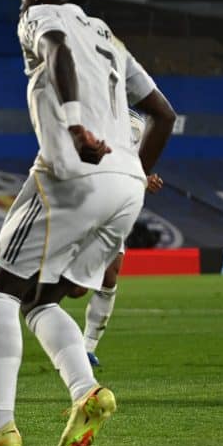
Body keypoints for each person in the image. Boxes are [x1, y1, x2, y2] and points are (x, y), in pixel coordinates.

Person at [0, 0, 175, 446]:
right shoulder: (109, 37)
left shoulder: (39, 17)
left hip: (72, 173)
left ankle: (0, 426)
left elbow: (55, 47)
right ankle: (86, 391)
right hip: (126, 183)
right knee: (42, 299)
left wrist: (76, 123)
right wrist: (138, 173)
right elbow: (163, 115)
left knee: (0, 294)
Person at [82, 111, 166, 367]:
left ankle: (87, 348)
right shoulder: (94, 109)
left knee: (110, 275)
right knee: (74, 288)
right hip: (85, 199)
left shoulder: (138, 121)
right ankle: (40, 314)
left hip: (114, 203)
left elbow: (132, 164)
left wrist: (143, 182)